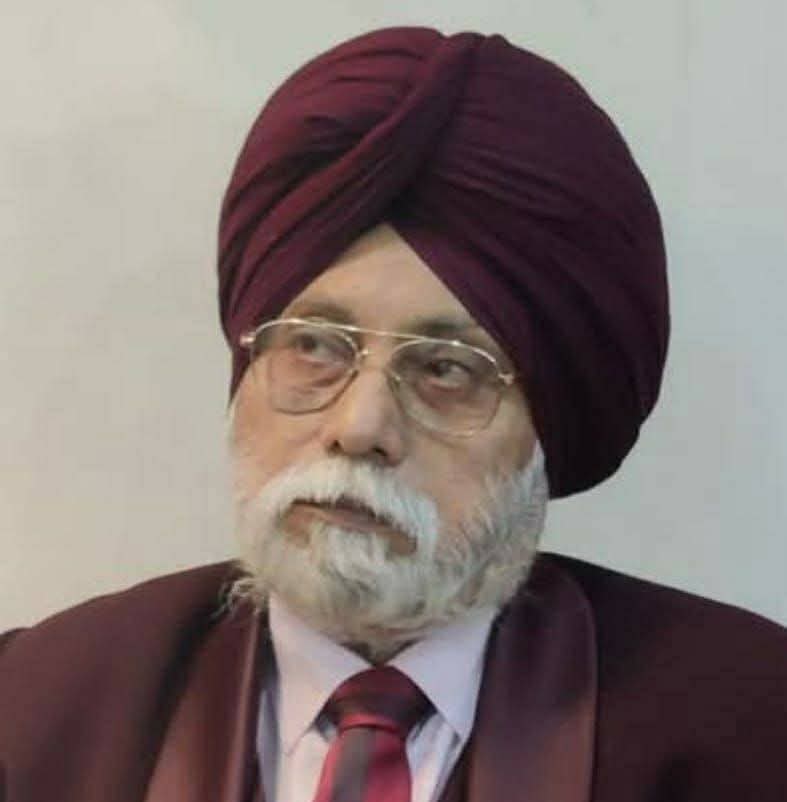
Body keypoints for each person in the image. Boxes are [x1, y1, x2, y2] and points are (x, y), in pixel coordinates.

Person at [1, 26, 785, 802]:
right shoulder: (38, 707)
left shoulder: (749, 728)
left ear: (546, 425)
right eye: (314, 346)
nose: (359, 427)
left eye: (446, 369)